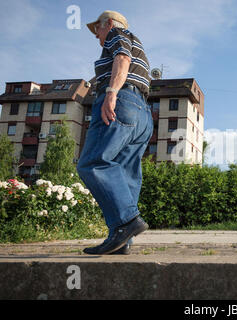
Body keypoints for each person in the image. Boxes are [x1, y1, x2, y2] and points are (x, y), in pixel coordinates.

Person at [77, 10, 153, 255]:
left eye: (97, 29)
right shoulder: (136, 41)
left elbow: (122, 58)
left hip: (120, 101)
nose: (96, 35)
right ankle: (122, 241)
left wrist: (111, 93)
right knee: (126, 173)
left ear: (107, 23)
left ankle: (128, 222)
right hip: (141, 112)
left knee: (93, 162)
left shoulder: (117, 33)